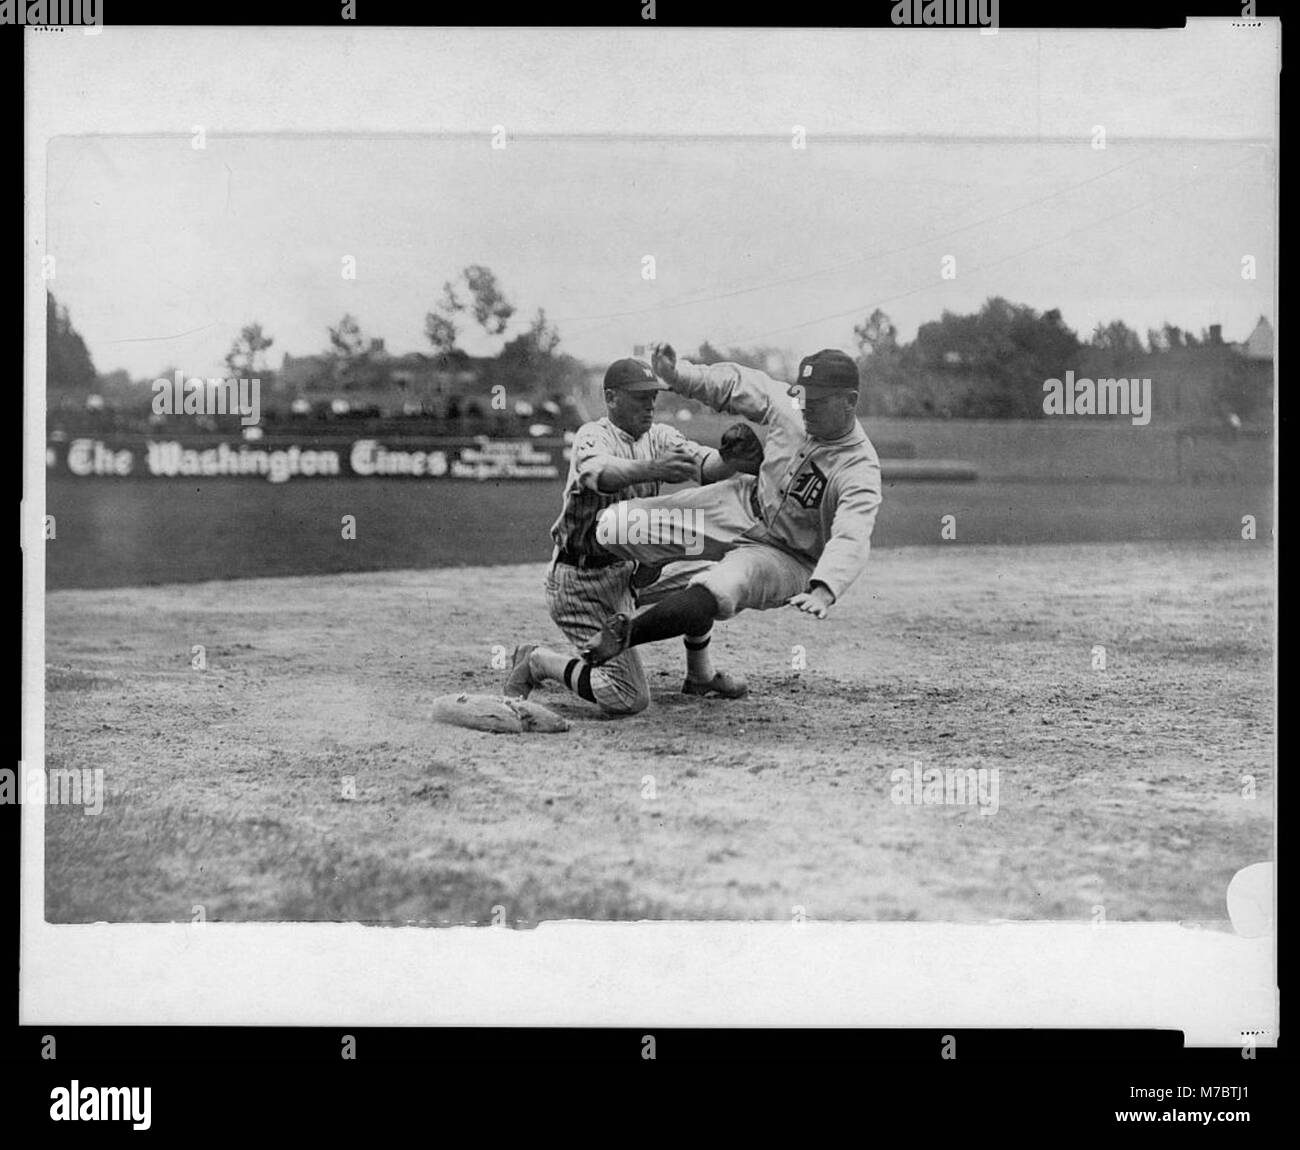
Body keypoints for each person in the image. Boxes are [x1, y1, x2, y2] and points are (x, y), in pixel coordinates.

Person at [579, 344, 883, 670]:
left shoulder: (858, 468)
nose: (805, 406)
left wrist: (824, 589)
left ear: (850, 401)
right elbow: (732, 385)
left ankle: (625, 634)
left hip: (785, 557)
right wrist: (677, 373)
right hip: (736, 508)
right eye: (803, 395)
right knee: (615, 526)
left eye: (818, 400)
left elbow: (852, 535)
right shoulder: (791, 406)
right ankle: (662, 558)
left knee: (718, 590)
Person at [503, 356, 748, 715]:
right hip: (582, 582)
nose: (649, 404)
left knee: (710, 579)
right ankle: (539, 662)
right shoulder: (593, 435)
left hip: (630, 572)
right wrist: (651, 468)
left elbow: (706, 465)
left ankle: (700, 675)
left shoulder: (661, 436)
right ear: (611, 398)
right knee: (627, 698)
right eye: (639, 396)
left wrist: (733, 458)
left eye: (652, 396)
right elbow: (600, 474)